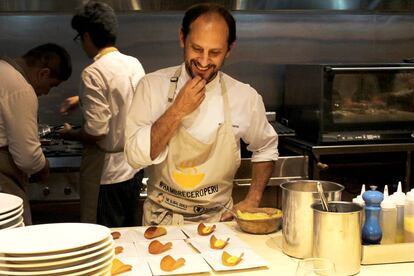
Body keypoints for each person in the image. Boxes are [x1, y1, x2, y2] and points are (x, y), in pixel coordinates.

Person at [124, 3, 278, 225]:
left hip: (220, 223)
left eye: (215, 52)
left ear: (229, 49)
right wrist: (177, 110)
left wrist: (253, 198)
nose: (204, 62)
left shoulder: (245, 96)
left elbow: (265, 147)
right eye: (196, 49)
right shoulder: (151, 86)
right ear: (182, 38)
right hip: (162, 222)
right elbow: (134, 157)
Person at [59, 1, 145, 227]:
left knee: (107, 237)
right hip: (134, 166)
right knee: (129, 234)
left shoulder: (93, 72)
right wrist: (82, 99)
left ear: (87, 36)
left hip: (108, 174)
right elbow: (125, 95)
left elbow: (97, 132)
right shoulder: (133, 63)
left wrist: (71, 134)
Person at [0, 43, 72, 225]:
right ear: (43, 73)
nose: (47, 92)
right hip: (3, 180)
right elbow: (28, 157)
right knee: (15, 244)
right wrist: (43, 167)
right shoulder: (20, 88)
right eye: (52, 85)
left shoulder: (3, 71)